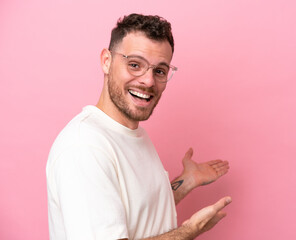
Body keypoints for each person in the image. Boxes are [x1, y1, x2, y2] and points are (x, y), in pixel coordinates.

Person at [46, 13, 231, 240]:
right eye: (135, 65)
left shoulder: (133, 133)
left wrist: (186, 182)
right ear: (107, 61)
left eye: (160, 71)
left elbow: (139, 211)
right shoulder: (84, 147)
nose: (148, 81)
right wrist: (189, 231)